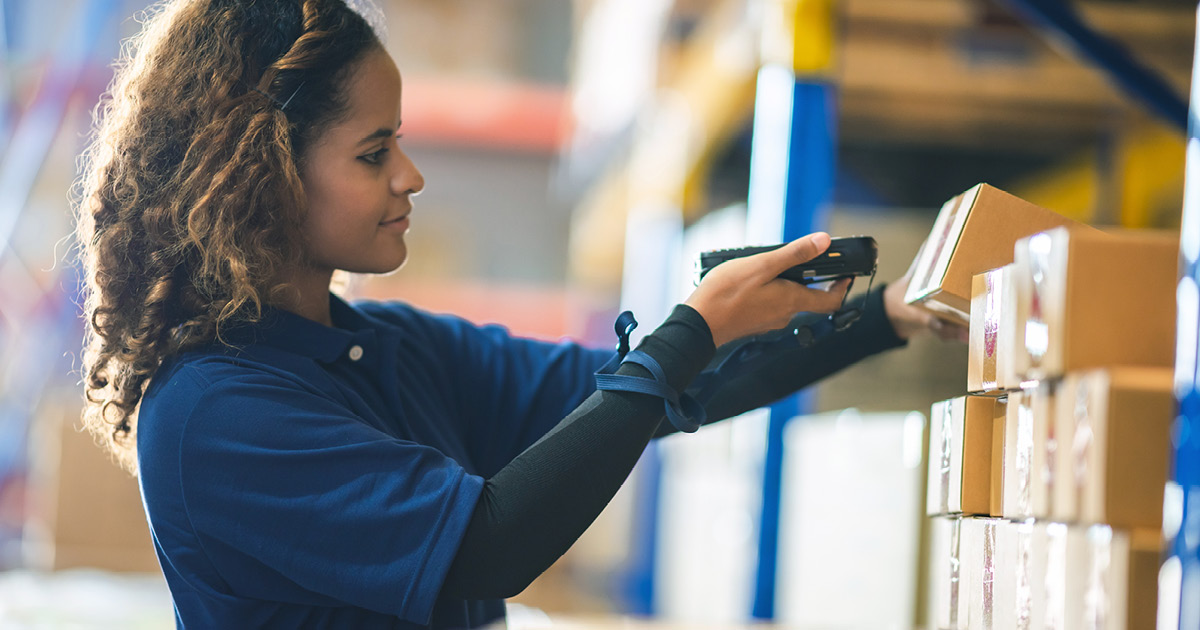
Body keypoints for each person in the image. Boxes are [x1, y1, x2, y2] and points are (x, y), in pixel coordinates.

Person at [74, 1, 957, 628]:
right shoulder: (214, 416)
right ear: (261, 172)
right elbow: (488, 545)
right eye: (375, 152)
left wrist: (887, 316)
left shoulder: (380, 347)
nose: (409, 177)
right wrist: (693, 329)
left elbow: (637, 393)